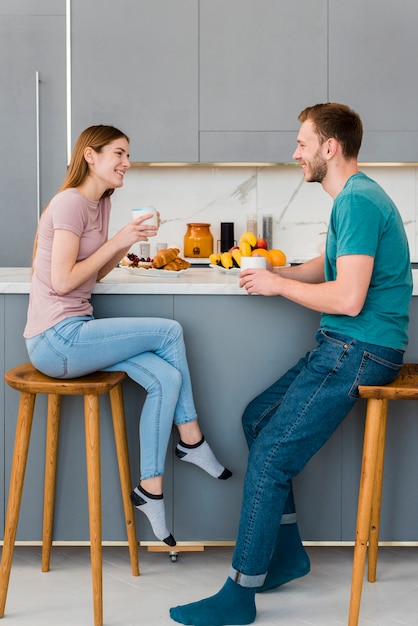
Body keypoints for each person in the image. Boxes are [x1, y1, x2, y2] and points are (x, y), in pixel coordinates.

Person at [169, 103, 412, 625]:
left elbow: (348, 298)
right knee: (258, 417)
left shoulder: (358, 201)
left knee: (272, 456)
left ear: (330, 147)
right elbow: (326, 267)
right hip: (349, 345)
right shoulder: (355, 198)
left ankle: (239, 593)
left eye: (302, 143)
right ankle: (286, 556)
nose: (295, 152)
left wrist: (278, 284)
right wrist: (271, 271)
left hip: (359, 348)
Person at [24, 125, 231, 548]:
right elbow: (62, 282)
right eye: (118, 153)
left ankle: (149, 490)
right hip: (55, 339)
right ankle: (191, 441)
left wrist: (126, 242)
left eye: (127, 155)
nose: (126, 163)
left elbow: (93, 274)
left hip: (78, 331)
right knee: (170, 331)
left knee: (166, 379)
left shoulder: (99, 204)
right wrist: (120, 238)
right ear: (90, 157)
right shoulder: (69, 205)